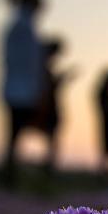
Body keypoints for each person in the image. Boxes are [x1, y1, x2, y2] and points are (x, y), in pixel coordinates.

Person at [0, 0, 46, 186]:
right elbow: (29, 62)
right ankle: (11, 178)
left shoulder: (18, 25)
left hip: (16, 88)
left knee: (14, 136)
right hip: (22, 90)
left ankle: (13, 177)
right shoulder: (23, 27)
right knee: (15, 136)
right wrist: (38, 89)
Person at [37, 38, 76, 174]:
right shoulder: (40, 66)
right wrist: (63, 79)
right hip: (44, 107)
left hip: (48, 106)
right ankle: (47, 171)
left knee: (52, 142)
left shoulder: (43, 66)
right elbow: (49, 85)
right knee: (52, 141)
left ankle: (47, 170)